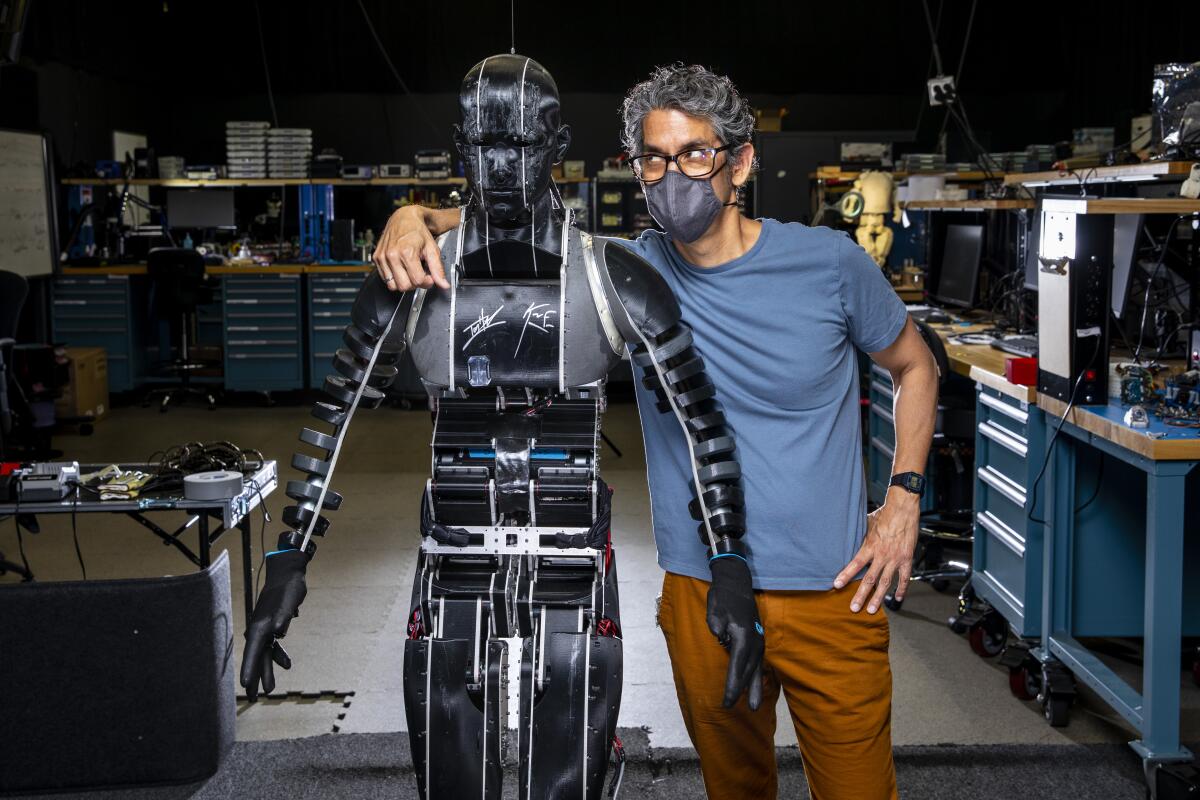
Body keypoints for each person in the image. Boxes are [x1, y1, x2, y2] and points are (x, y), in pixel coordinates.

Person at [374, 63, 937, 800]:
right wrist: (411, 216)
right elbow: (510, 216)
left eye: (695, 154)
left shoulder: (828, 264)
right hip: (700, 591)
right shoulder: (627, 271)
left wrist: (903, 498)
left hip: (831, 591)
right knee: (735, 788)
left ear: (741, 161)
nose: (674, 176)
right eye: (654, 159)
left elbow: (916, 366)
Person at [242, 54, 763, 799]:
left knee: (568, 773)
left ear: (556, 145)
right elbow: (336, 416)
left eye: (520, 145)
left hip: (572, 560)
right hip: (452, 557)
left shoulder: (611, 275)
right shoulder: (414, 279)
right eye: (485, 147)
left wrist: (731, 566)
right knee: (452, 766)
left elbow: (702, 425)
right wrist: (288, 563)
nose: (502, 166)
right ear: (461, 147)